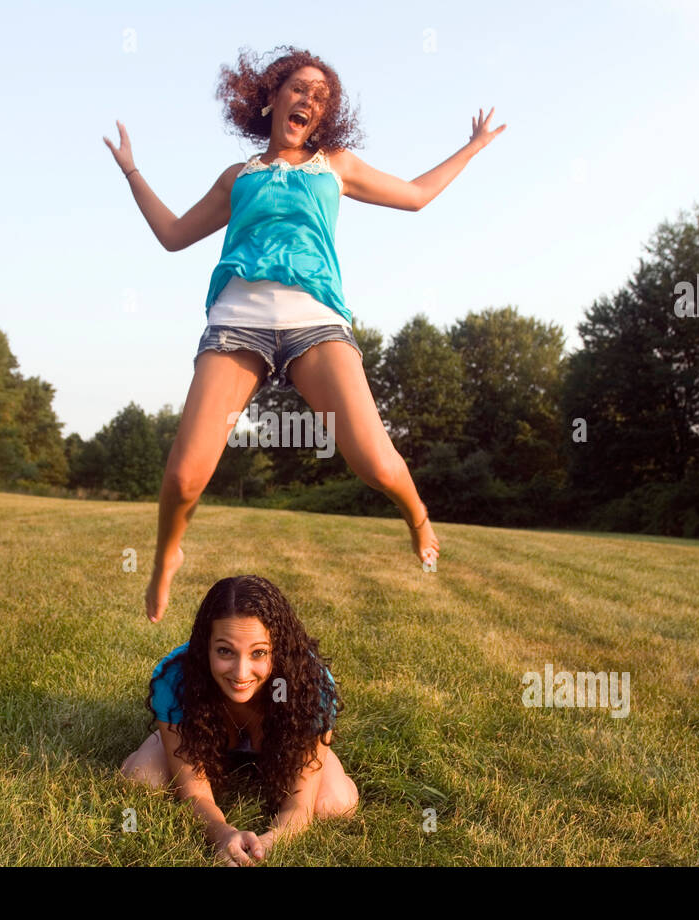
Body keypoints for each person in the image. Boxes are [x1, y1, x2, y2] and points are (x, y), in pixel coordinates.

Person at [103, 45, 506, 621]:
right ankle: (168, 554)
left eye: (320, 97)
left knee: (374, 463)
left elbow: (416, 197)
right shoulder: (238, 176)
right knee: (185, 475)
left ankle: (417, 515)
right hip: (236, 326)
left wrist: (473, 146)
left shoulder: (334, 166)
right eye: (299, 89)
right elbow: (172, 235)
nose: (308, 101)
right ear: (271, 97)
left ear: (324, 114)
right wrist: (132, 172)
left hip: (316, 323)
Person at [119, 575, 358, 866]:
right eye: (225, 651)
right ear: (205, 646)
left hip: (281, 750)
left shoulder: (310, 686)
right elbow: (195, 794)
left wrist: (271, 841)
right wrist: (222, 834)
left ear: (278, 649)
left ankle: (310, 756)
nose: (241, 673)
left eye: (258, 653)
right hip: (206, 745)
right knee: (142, 778)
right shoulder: (176, 678)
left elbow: (299, 809)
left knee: (335, 804)